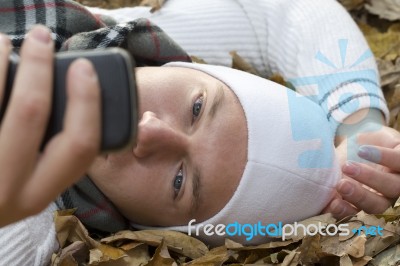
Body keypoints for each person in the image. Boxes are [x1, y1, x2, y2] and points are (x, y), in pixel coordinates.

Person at [0, 0, 399, 264]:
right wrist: (359, 121)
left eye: (178, 182)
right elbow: (274, 11)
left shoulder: (22, 224)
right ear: (182, 67)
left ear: (149, 229)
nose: (149, 130)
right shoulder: (116, 40)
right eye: (196, 108)